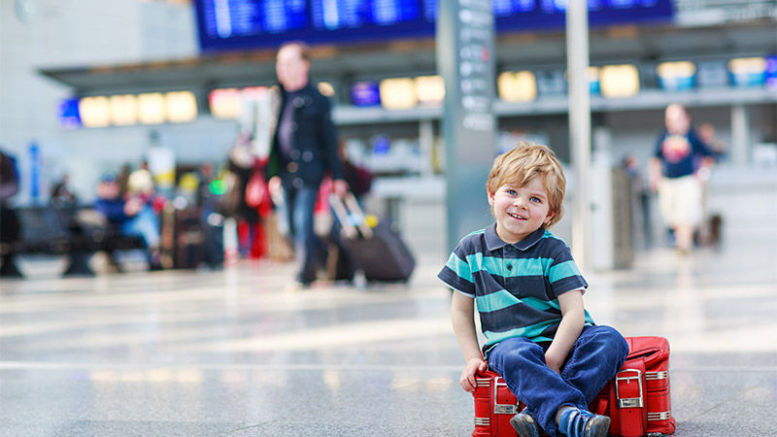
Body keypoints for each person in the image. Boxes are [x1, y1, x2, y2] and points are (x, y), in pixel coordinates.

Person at [439, 143, 628, 437]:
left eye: (535, 199)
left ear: (549, 214)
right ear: (492, 194)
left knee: (610, 340)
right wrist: (472, 357)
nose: (521, 204)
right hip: (511, 345)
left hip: (566, 343)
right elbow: (461, 311)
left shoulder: (554, 250)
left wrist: (552, 359)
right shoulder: (469, 249)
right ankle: (569, 416)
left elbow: (574, 314)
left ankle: (541, 415)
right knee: (513, 354)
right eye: (511, 192)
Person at [267, 41, 347, 287]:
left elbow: (330, 140)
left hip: (310, 172)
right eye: (281, 63)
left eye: (290, 62)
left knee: (304, 223)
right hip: (285, 173)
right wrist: (271, 174)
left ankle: (303, 275)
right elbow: (272, 141)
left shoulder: (318, 99)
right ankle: (319, 261)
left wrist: (338, 176)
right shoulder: (277, 97)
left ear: (304, 65)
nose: (284, 68)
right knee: (288, 226)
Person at [648, 103, 714, 254]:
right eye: (669, 119)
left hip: (687, 181)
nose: (673, 123)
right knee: (673, 217)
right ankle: (681, 244)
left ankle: (684, 247)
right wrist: (655, 177)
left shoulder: (692, 136)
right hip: (668, 182)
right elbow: (655, 159)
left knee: (686, 216)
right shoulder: (663, 136)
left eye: (677, 118)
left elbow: (708, 156)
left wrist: (702, 174)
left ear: (685, 119)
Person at [93, 173, 162, 270]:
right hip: (118, 230)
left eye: (114, 185)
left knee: (145, 212)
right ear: (101, 187)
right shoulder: (101, 203)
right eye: (109, 186)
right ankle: (155, 245)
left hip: (131, 226)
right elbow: (109, 215)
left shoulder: (119, 200)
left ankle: (154, 247)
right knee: (144, 220)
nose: (112, 188)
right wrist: (126, 211)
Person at [1, 148, 23, 277]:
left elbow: (14, 187)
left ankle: (8, 261)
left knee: (9, 222)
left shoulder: (9, 162)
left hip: (5, 211)